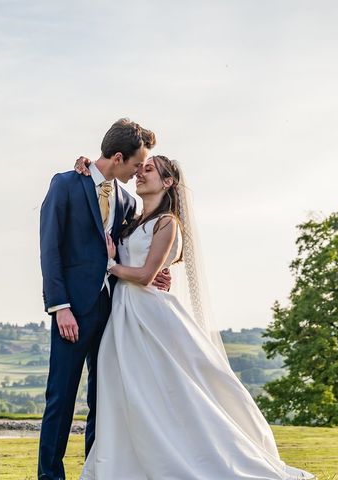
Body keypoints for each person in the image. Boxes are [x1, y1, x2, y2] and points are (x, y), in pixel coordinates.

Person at [75, 155, 315, 479]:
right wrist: (88, 165)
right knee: (125, 392)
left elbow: (146, 274)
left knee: (169, 393)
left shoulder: (168, 223)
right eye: (140, 168)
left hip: (150, 316)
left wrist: (111, 265)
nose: (140, 174)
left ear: (168, 182)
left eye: (149, 170)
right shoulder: (132, 218)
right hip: (123, 316)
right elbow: (104, 197)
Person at [38, 118, 171, 480]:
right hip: (72, 313)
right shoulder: (65, 184)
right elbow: (49, 250)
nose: (137, 171)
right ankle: (50, 476)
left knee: (103, 399)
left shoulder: (127, 200)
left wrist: (157, 267)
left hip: (112, 311)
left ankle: (93, 472)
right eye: (135, 164)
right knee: (60, 399)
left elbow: (137, 242)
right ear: (116, 157)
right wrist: (60, 306)